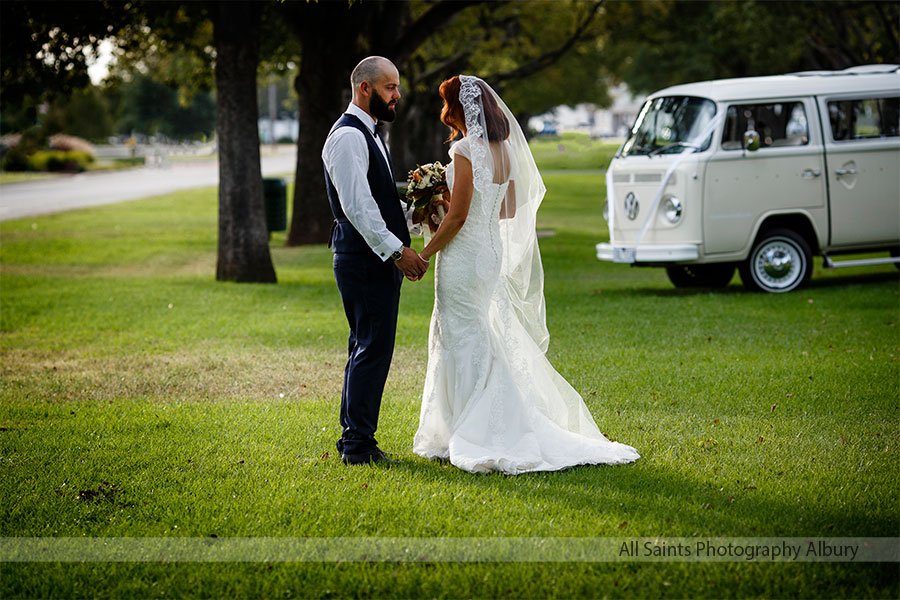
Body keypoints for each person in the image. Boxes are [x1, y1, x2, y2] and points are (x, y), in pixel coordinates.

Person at [412, 75, 640, 474]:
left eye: (446, 104)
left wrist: (427, 249)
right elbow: (508, 209)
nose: (443, 111)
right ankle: (474, 419)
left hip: (464, 255)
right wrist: (447, 210)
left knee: (460, 332)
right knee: (475, 330)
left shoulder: (465, 149)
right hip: (489, 252)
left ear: (458, 109)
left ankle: (473, 425)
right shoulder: (504, 150)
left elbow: (461, 215)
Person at [322, 56, 428, 466]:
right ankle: (358, 446)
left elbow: (379, 201)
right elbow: (357, 207)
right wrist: (397, 251)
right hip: (363, 258)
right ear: (365, 88)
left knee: (367, 345)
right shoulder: (349, 137)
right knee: (372, 347)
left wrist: (416, 216)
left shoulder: (371, 133)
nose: (397, 95)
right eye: (390, 87)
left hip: (370, 256)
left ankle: (354, 438)